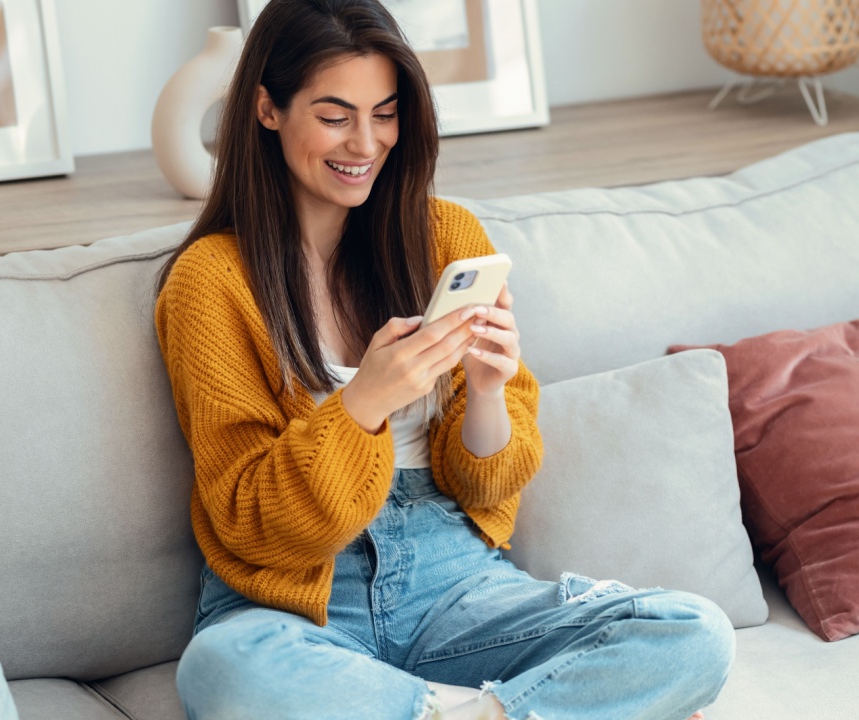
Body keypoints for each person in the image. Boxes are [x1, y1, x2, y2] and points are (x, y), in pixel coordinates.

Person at [153, 1, 734, 718]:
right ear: (268, 109)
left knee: (692, 634)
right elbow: (251, 523)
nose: (364, 142)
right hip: (298, 596)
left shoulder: (444, 234)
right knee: (222, 670)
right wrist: (364, 400)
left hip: (454, 582)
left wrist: (489, 393)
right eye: (335, 116)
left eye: (385, 113)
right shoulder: (211, 280)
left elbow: (490, 487)